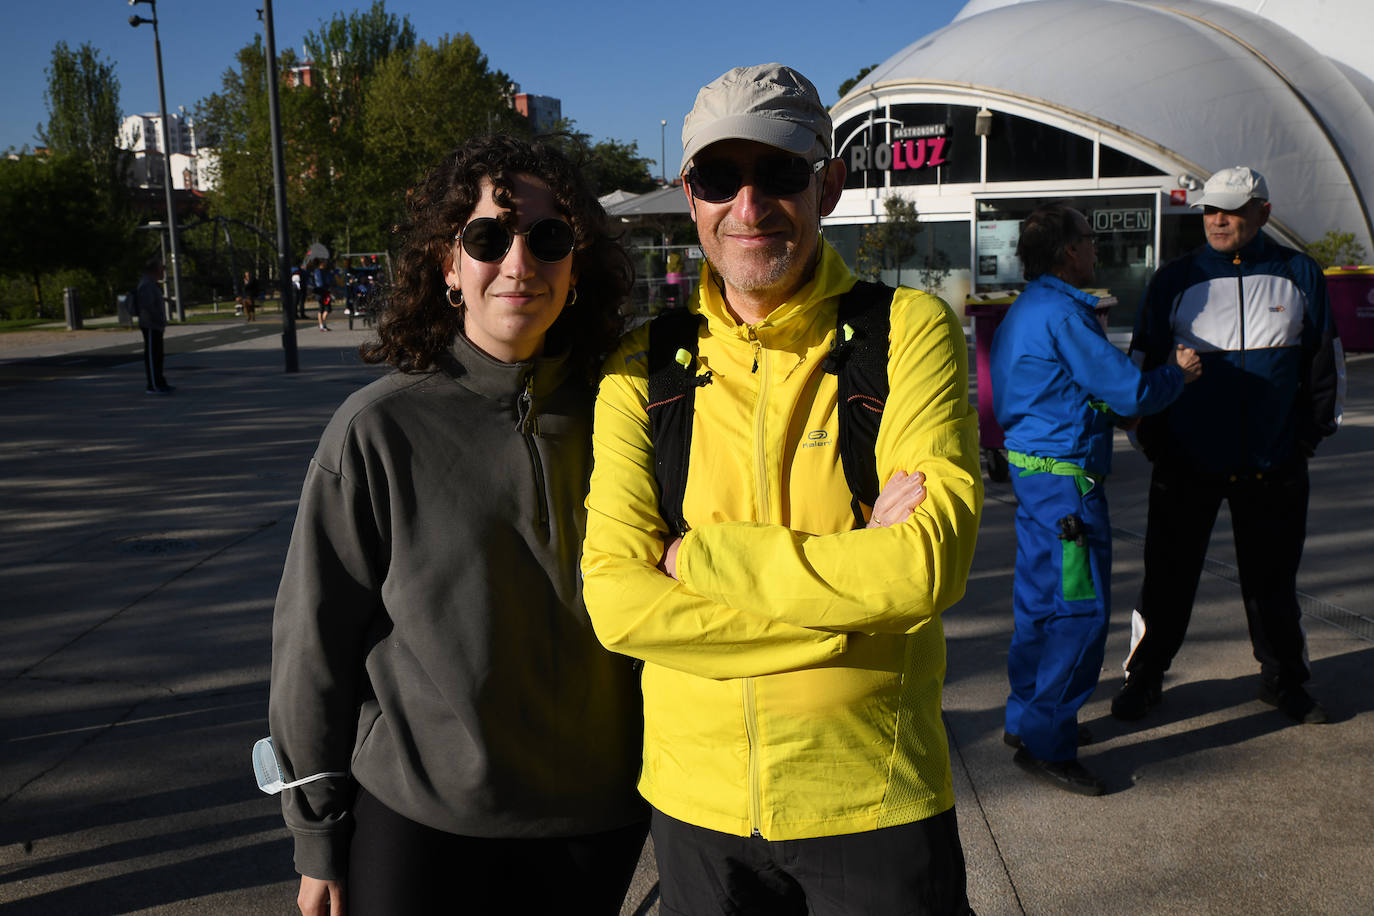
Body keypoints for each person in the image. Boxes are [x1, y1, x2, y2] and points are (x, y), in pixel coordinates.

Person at [581, 63, 982, 915]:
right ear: (690, 196)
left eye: (781, 173)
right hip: (696, 810)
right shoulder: (640, 368)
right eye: (721, 178)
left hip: (872, 797)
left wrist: (700, 559)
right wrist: (846, 621)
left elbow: (924, 572)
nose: (750, 206)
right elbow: (617, 603)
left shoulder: (906, 332)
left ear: (828, 185)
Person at [268, 134, 646, 916]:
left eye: (548, 239)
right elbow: (314, 642)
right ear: (448, 263)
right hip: (419, 816)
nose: (519, 262)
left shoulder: (632, 414)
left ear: (577, 265)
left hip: (595, 816)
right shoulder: (377, 428)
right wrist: (317, 836)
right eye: (487, 238)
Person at [1112, 166, 1345, 726]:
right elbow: (1141, 367)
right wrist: (1153, 440)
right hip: (1186, 465)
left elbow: (1324, 366)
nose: (1218, 220)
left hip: (1274, 465)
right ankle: (1145, 678)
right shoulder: (1175, 278)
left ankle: (1285, 679)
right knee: (1166, 579)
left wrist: (1306, 440)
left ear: (1263, 212)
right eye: (1211, 209)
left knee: (1274, 584)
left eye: (1233, 210)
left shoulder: (1300, 273)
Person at [990, 205, 1201, 795]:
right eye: (1088, 239)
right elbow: (1129, 388)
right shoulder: (1064, 313)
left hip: (1037, 485)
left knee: (1037, 605)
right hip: (1068, 495)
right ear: (1066, 252)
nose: (1096, 248)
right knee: (1077, 614)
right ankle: (1047, 743)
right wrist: (1177, 375)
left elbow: (1059, 392)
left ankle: (1025, 718)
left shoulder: (1028, 309)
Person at [133, 257, 172, 395]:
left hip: (156, 325)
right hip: (150, 325)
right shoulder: (146, 284)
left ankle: (160, 381)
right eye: (161, 268)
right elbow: (148, 306)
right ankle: (153, 385)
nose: (163, 271)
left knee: (158, 356)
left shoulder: (152, 283)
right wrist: (158, 319)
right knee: (152, 356)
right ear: (155, 270)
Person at [311, 259, 332, 331]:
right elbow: (320, 283)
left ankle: (323, 324)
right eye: (324, 263)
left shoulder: (324, 271)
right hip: (320, 292)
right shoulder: (318, 271)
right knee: (322, 308)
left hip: (324, 292)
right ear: (321, 263)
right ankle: (322, 325)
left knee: (327, 309)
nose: (326, 264)